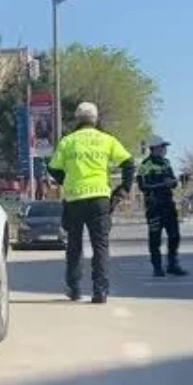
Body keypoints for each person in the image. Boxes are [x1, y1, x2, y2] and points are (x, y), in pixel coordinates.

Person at [46, 102, 135, 304]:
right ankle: (100, 291)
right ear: (95, 120)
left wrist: (66, 180)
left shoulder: (68, 141)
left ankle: (74, 288)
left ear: (77, 120)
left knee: (74, 246)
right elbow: (129, 163)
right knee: (100, 247)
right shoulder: (107, 140)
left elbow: (52, 168)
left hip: (74, 200)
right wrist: (123, 189)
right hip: (100, 200)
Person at [138, 137, 187, 277]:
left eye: (165, 147)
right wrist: (162, 184)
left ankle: (172, 264)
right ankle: (157, 267)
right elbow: (143, 186)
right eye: (162, 147)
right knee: (155, 238)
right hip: (154, 206)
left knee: (175, 236)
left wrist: (175, 181)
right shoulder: (145, 165)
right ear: (153, 148)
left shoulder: (166, 163)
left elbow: (173, 182)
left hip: (168, 204)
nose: (164, 150)